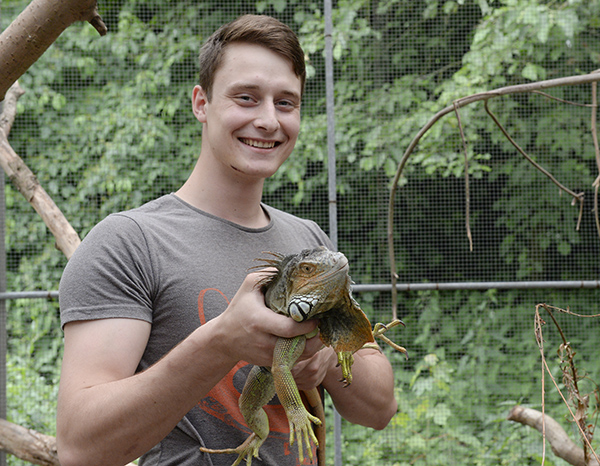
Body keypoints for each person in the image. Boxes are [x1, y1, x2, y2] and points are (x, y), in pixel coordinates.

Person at [56, 14, 397, 466]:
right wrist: (221, 342)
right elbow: (80, 448)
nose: (269, 120)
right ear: (201, 102)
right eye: (246, 98)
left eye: (286, 103)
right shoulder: (128, 243)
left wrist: (327, 359)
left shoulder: (309, 244)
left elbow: (380, 410)